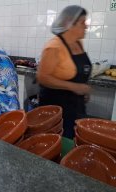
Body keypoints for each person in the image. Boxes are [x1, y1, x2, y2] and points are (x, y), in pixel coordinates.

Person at [37, 5, 92, 139]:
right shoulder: (54, 46)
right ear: (69, 23)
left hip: (76, 106)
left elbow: (79, 72)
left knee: (74, 139)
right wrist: (75, 87)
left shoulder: (78, 43)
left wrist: (83, 89)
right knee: (57, 141)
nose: (86, 26)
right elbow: (42, 77)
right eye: (82, 22)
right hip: (57, 109)